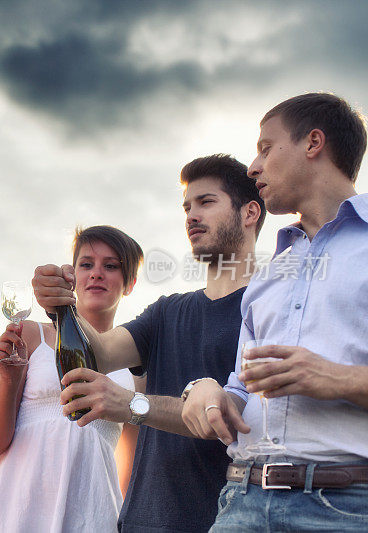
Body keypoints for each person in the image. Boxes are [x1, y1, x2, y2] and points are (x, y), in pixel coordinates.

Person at [32, 154, 265, 532]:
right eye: (187, 206)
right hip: (140, 522)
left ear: (250, 212)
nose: (191, 215)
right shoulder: (166, 311)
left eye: (206, 202)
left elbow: (227, 418)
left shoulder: (272, 310)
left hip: (225, 520)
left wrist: (131, 405)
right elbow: (99, 354)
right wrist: (60, 305)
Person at [182, 93, 368, 531]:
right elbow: (242, 389)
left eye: (266, 147)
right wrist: (212, 396)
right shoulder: (267, 277)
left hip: (346, 510)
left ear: (313, 143)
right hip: (240, 503)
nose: (253, 167)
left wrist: (340, 379)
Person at [0, 225, 144, 532]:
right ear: (72, 276)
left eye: (111, 266)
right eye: (86, 264)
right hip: (17, 507)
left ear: (130, 283)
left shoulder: (136, 367)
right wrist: (10, 378)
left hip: (91, 514)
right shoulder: (28, 335)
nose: (96, 273)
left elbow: (130, 466)